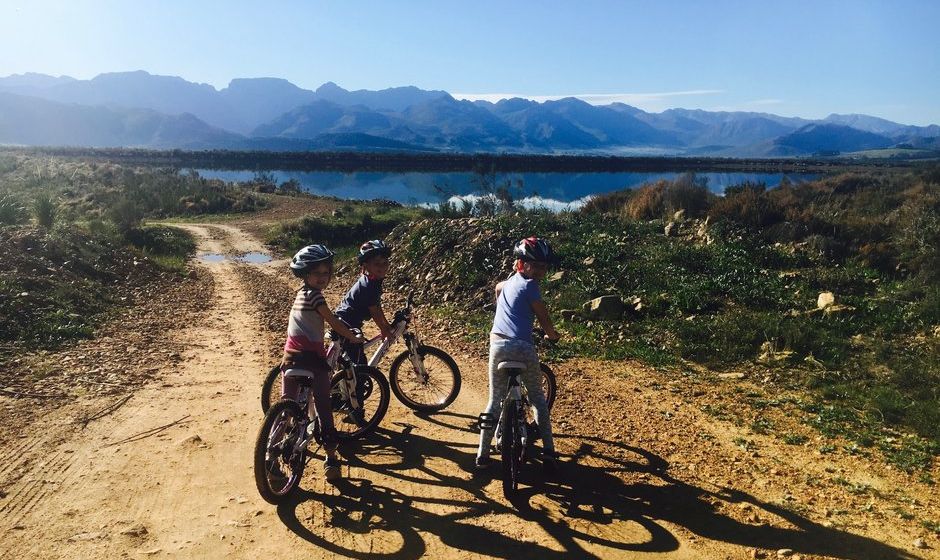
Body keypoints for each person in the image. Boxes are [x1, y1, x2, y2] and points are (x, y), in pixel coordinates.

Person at [476, 236, 561, 474]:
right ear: (523, 265)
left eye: (544, 266)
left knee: (494, 400)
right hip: (523, 348)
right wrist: (552, 335)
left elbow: (497, 287)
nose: (541, 271)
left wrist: (501, 306)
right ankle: (549, 451)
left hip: (497, 345)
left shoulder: (509, 282)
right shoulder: (531, 286)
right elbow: (543, 318)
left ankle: (482, 454)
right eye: (537, 266)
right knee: (537, 399)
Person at [281, 244, 364, 482]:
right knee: (323, 406)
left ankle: (272, 451)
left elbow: (323, 317)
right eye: (316, 273)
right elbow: (331, 321)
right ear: (305, 274)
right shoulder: (316, 296)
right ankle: (331, 457)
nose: (322, 278)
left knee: (286, 406)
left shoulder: (300, 294)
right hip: (311, 360)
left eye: (326, 273)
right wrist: (352, 336)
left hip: (290, 357)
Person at [333, 240, 394, 365]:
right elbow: (374, 312)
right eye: (377, 264)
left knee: (351, 356)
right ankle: (354, 382)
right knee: (359, 363)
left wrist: (386, 325)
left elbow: (377, 306)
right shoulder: (368, 285)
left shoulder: (374, 280)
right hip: (347, 322)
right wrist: (383, 329)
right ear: (366, 266)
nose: (382, 267)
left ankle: (347, 377)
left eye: (385, 263)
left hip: (348, 319)